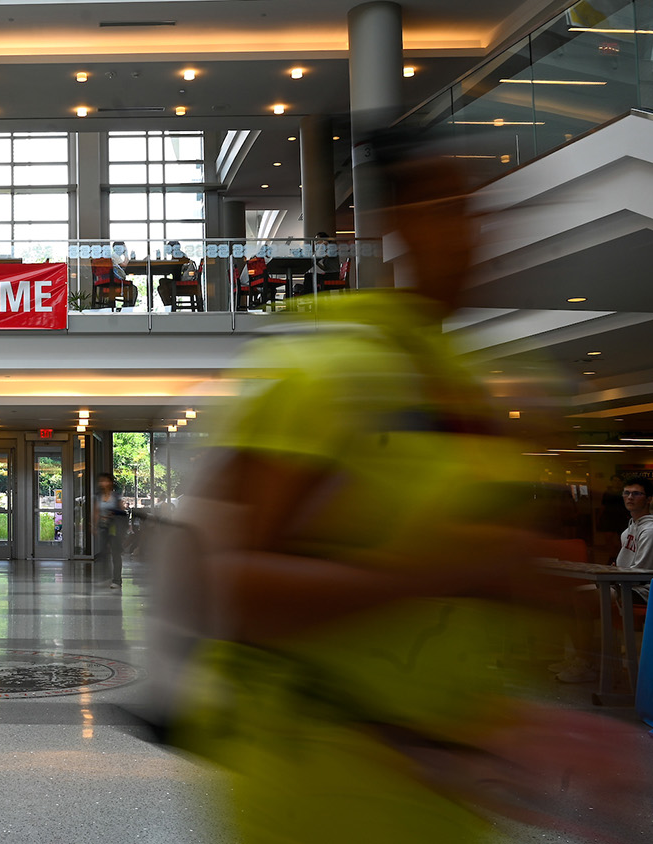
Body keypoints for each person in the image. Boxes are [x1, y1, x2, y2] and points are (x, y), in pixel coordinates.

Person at [168, 132, 647, 844]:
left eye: (480, 209)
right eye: (450, 207)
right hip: (319, 791)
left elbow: (455, 600)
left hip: (436, 790)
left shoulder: (460, 387)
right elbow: (224, 588)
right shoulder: (325, 373)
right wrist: (438, 571)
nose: (476, 230)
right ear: (399, 224)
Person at [557, 476, 653, 683]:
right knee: (569, 596)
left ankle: (587, 662)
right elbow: (623, 566)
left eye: (636, 493)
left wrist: (614, 576)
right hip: (623, 584)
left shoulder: (649, 530)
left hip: (640, 590)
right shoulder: (629, 529)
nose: (630, 497)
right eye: (626, 493)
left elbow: (641, 573)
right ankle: (587, 659)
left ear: (649, 499)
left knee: (581, 599)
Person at [95, 473, 126, 589]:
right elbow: (96, 511)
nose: (103, 483)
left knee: (115, 553)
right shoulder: (98, 496)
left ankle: (117, 580)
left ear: (110, 482)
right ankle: (105, 577)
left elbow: (122, 511)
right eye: (101, 481)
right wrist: (93, 526)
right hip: (103, 527)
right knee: (103, 553)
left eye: (106, 481)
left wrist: (114, 513)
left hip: (114, 527)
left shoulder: (116, 496)